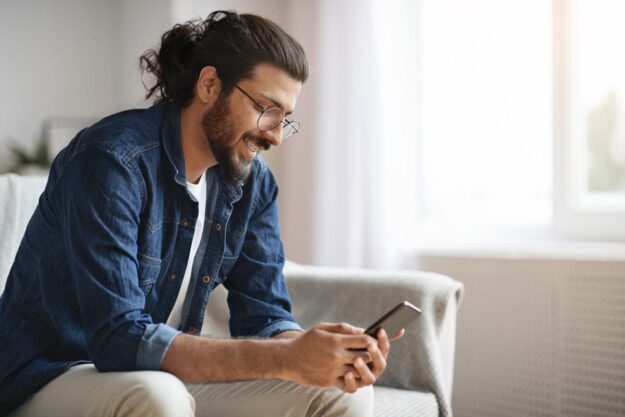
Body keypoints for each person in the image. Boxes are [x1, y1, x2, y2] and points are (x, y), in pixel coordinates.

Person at [0, 10, 401, 417]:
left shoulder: (251, 184)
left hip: (155, 375)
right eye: (267, 109)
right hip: (50, 374)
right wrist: (286, 359)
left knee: (339, 392)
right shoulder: (112, 161)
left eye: (286, 119)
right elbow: (118, 339)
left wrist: (315, 353)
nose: (276, 135)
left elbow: (264, 313)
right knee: (158, 396)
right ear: (210, 84)